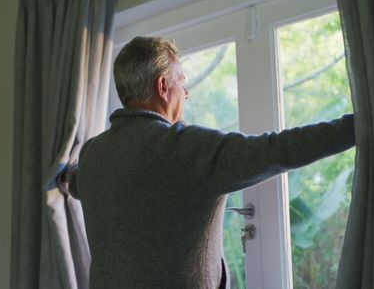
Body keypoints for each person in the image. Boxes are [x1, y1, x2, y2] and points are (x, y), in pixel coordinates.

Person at [72, 36, 355, 289]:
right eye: (181, 81)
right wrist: (357, 127)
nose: (187, 93)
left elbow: (73, 183)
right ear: (162, 86)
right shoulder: (186, 148)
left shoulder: (91, 154)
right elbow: (279, 150)